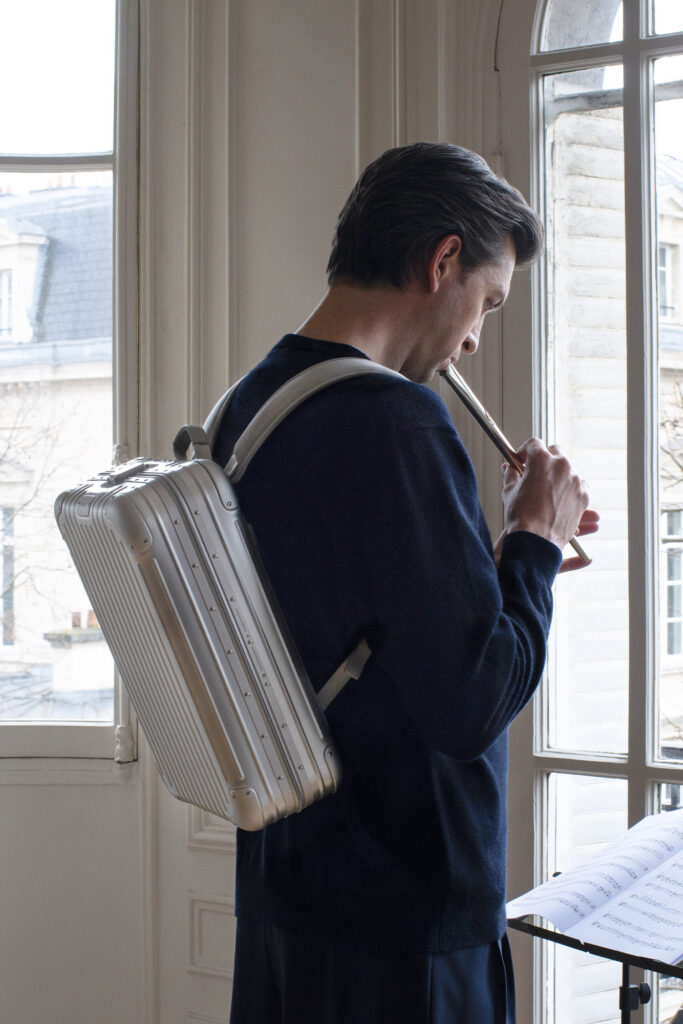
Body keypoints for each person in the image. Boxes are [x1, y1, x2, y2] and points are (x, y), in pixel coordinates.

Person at [214, 142, 598, 1024]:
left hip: (289, 888)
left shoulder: (255, 401)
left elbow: (387, 639)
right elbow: (468, 704)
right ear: (443, 261)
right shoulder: (395, 420)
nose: (472, 336)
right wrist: (534, 542)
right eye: (487, 304)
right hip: (403, 923)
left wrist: (505, 551)